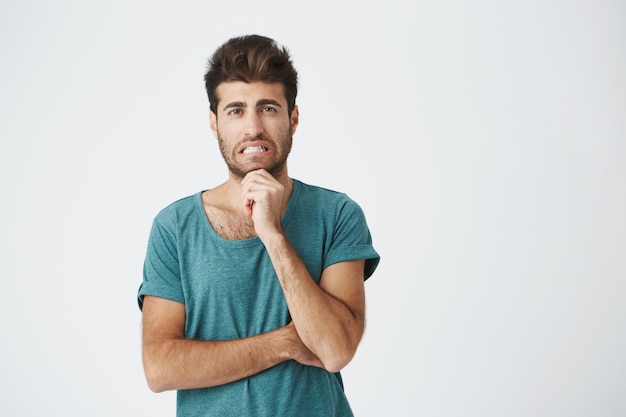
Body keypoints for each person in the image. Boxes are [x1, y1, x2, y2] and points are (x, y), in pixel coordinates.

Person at [137, 34, 380, 416]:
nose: (253, 128)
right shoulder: (174, 228)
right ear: (214, 123)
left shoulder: (337, 214)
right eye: (235, 111)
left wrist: (273, 234)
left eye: (268, 108)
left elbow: (334, 350)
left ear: (293, 118)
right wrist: (284, 343)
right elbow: (160, 367)